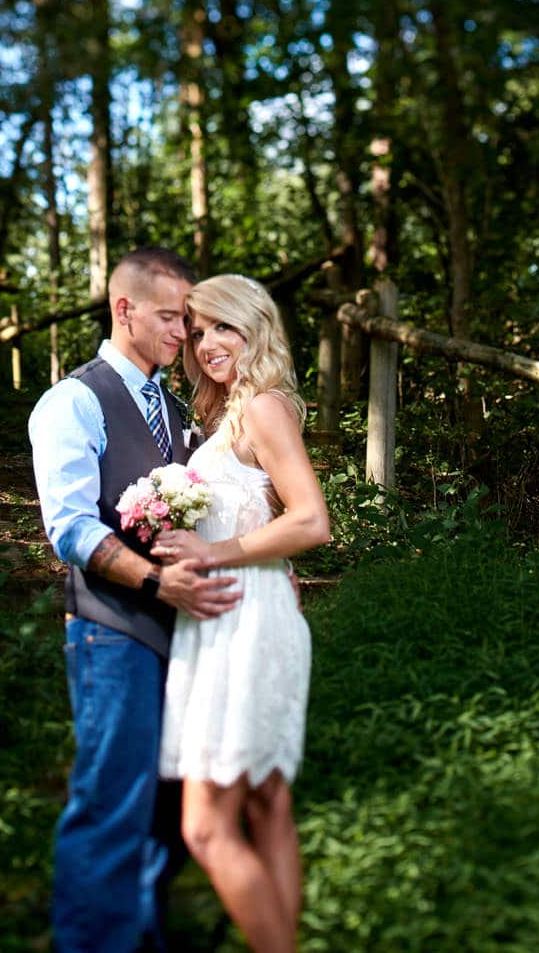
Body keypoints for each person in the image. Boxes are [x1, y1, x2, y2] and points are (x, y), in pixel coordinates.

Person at [29, 246, 242, 952]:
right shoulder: (74, 400)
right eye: (171, 317)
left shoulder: (176, 409)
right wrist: (155, 580)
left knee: (174, 805)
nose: (185, 332)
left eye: (188, 318)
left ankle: (137, 932)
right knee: (113, 801)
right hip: (114, 628)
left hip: (186, 634)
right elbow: (70, 526)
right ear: (123, 309)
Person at [152, 274, 329, 953]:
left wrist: (212, 550)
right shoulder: (229, 412)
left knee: (205, 826)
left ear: (254, 325)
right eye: (197, 332)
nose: (207, 343)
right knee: (266, 804)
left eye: (222, 326)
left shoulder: (262, 408)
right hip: (233, 610)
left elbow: (313, 520)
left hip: (243, 617)